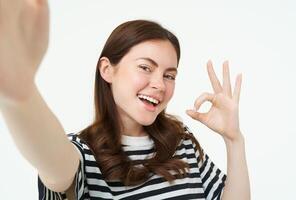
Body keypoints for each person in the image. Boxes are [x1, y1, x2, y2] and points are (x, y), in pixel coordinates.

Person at [0, 0, 250, 200]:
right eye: (145, 67)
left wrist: (233, 140)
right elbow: (55, 168)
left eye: (169, 75)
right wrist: (22, 94)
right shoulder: (85, 155)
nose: (159, 85)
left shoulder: (181, 141)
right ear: (107, 70)